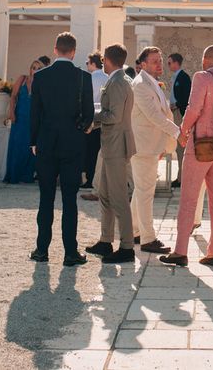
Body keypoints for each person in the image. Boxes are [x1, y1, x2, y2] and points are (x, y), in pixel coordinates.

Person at [160, 45, 213, 268]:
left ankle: (180, 251)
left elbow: (194, 109)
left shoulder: (201, 77)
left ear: (205, 60)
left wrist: (183, 132)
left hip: (201, 146)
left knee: (189, 199)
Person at [29, 32, 94, 266]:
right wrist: (82, 128)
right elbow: (88, 115)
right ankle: (70, 252)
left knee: (45, 199)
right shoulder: (83, 78)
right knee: (70, 201)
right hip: (72, 144)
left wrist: (34, 141)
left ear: (55, 49)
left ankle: (41, 250)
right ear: (74, 51)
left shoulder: (41, 76)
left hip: (46, 143)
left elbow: (34, 112)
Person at [85, 43, 137, 264]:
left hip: (116, 145)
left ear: (107, 59)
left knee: (118, 198)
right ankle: (106, 240)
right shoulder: (119, 80)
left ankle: (126, 246)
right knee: (105, 195)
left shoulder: (117, 82)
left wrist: (93, 117)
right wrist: (95, 121)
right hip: (112, 144)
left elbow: (113, 116)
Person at [130, 46, 180, 255]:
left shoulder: (153, 83)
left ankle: (133, 230)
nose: (159, 64)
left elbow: (163, 112)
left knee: (140, 191)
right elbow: (154, 116)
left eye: (160, 60)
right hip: (143, 146)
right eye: (154, 61)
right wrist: (179, 133)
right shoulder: (140, 84)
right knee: (145, 192)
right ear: (142, 64)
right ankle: (147, 238)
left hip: (151, 145)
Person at [4, 58, 47, 184]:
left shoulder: (42, 83)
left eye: (38, 68)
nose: (35, 70)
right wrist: (11, 112)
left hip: (34, 119)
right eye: (34, 68)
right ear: (30, 69)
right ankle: (13, 175)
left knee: (30, 148)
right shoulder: (22, 79)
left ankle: (27, 176)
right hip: (19, 117)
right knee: (17, 146)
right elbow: (13, 97)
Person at [81, 52, 107, 189]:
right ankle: (99, 180)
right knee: (100, 152)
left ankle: (90, 179)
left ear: (92, 63)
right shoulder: (107, 78)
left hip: (92, 118)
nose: (86, 65)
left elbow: (86, 99)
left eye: (87, 63)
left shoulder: (90, 79)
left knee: (90, 152)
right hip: (105, 119)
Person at [167, 52, 192, 188]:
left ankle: (182, 178)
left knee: (181, 146)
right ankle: (180, 177)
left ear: (176, 63)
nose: (168, 65)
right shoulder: (176, 77)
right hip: (174, 112)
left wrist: (176, 105)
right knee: (178, 148)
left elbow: (187, 97)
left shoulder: (183, 77)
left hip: (179, 113)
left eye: (170, 63)